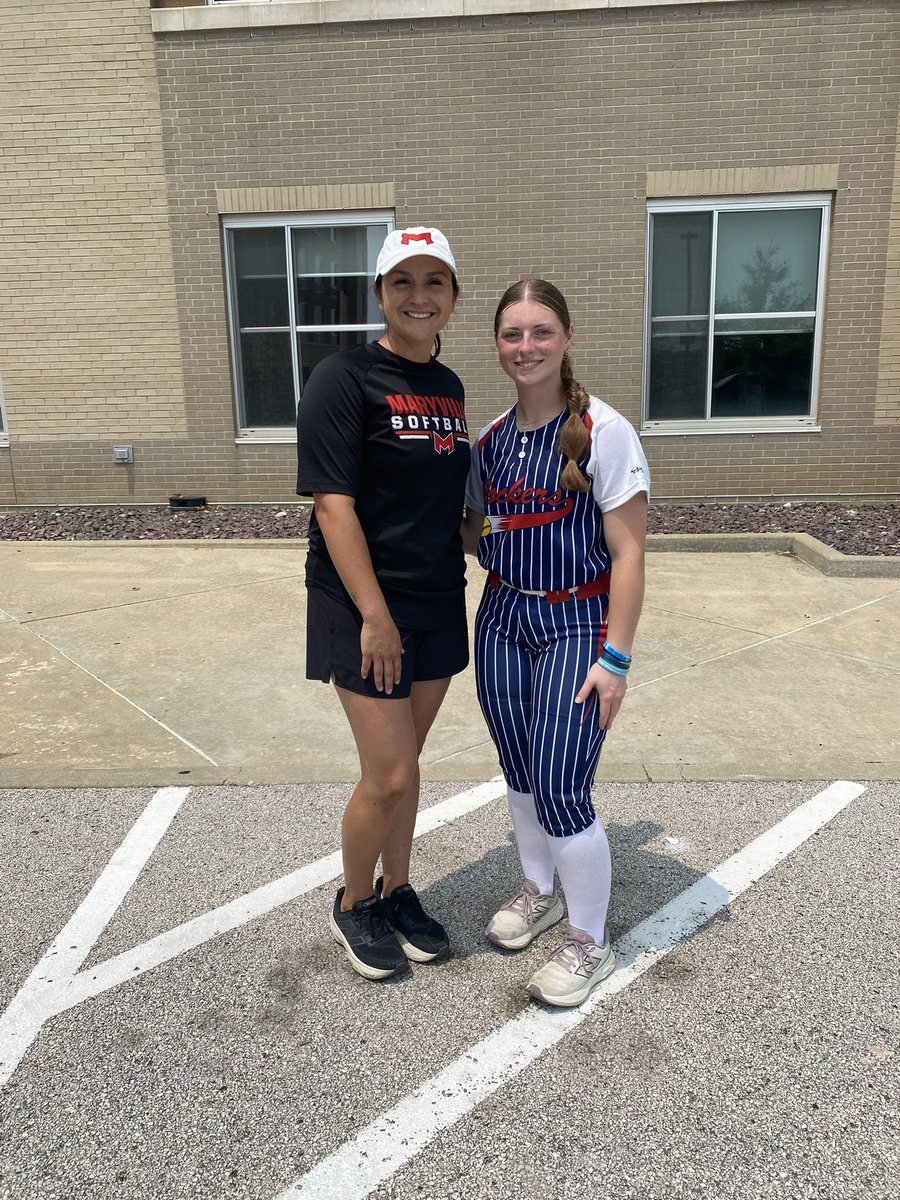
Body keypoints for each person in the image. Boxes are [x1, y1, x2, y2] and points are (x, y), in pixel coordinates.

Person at [462, 278, 650, 1008]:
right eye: (513, 334)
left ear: (567, 338)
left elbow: (630, 554)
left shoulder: (605, 430)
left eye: (541, 332)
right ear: (497, 346)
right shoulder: (490, 443)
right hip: (504, 617)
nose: (527, 346)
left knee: (564, 785)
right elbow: (476, 533)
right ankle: (537, 887)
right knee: (519, 770)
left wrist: (617, 658)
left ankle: (589, 940)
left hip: (578, 622)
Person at [296, 227, 470, 981]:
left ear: (453, 298)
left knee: (409, 760)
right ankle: (353, 902)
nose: (419, 296)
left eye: (435, 281)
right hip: (362, 602)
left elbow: (449, 503)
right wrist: (374, 615)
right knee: (389, 773)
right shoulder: (344, 376)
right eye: (402, 281)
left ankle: (399, 891)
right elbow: (334, 507)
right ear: (379, 295)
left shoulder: (450, 387)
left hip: (435, 596)